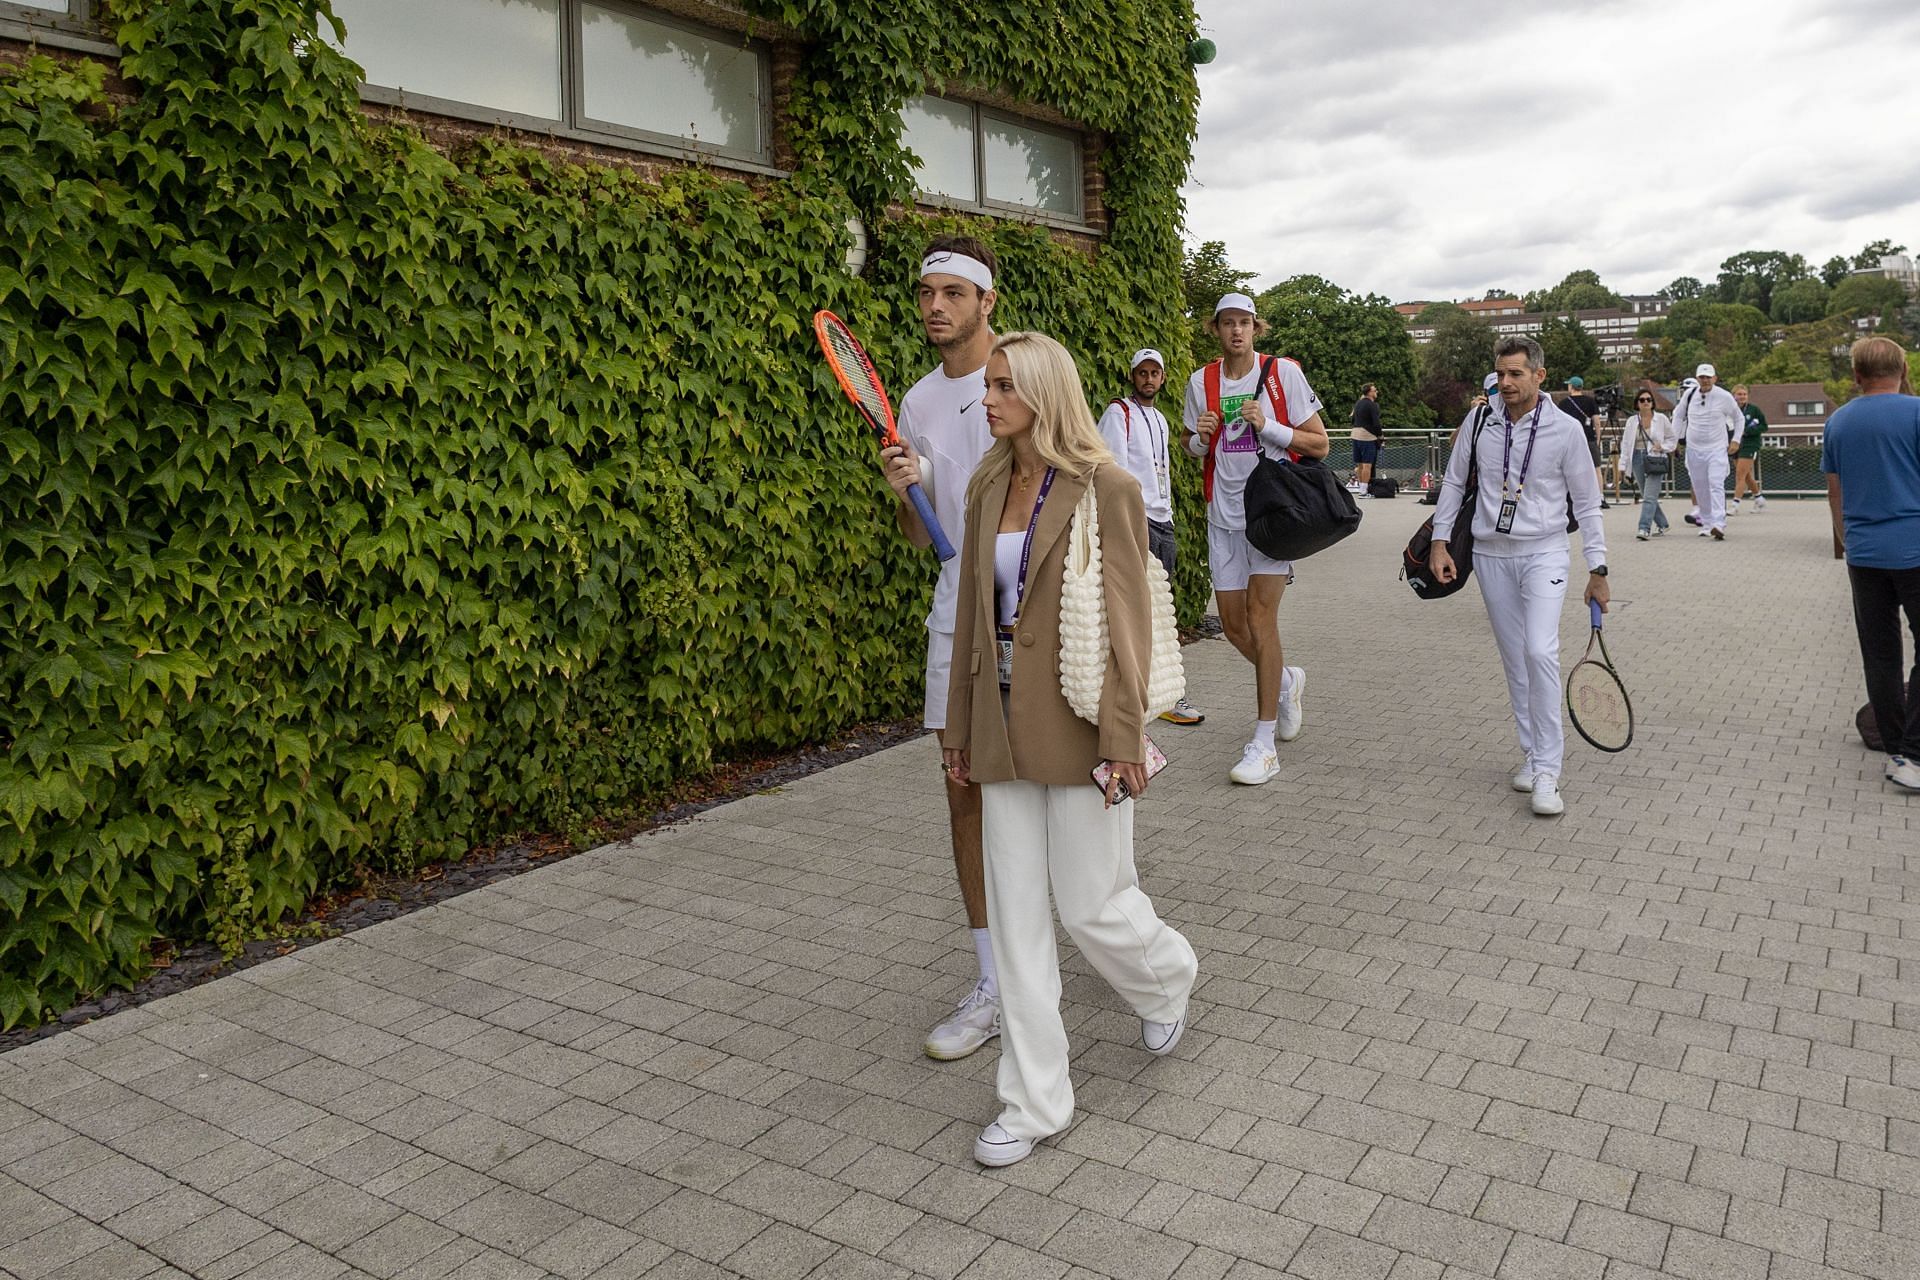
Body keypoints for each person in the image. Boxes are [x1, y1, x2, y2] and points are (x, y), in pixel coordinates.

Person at [943, 331, 1199, 1166]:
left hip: (1083, 720)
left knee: (1092, 902)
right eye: (988, 386)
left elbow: (1126, 627)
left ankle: (1166, 977)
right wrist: (958, 726)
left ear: (1045, 395)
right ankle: (1033, 1102)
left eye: (1004, 387)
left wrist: (1126, 739)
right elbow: (972, 620)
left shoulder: (1108, 488)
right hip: (999, 726)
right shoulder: (987, 485)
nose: (988, 400)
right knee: (1017, 921)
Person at [880, 236, 1003, 1060]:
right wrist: (904, 492)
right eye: (926, 292)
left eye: (953, 293)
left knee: (1055, 792)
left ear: (986, 301)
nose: (935, 306)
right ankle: (995, 980)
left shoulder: (1028, 373)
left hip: (1031, 607)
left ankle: (1116, 935)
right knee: (964, 791)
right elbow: (919, 537)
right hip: (955, 611)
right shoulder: (917, 401)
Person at [1428, 335, 1610, 817]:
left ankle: (1549, 769)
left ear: (1539, 376)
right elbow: (1452, 479)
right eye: (1500, 374)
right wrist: (1440, 541)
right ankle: (1531, 754)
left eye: (1515, 374)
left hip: (1545, 551)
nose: (1505, 383)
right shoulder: (1480, 418)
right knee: (1515, 660)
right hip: (1489, 553)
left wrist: (1599, 567)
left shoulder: (1566, 429)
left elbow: (1589, 504)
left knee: (1538, 649)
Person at [1180, 294, 1331, 785]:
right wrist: (1199, 439)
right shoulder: (1200, 382)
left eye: (1244, 323)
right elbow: (1191, 446)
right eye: (1228, 324)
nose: (1236, 332)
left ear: (1256, 328)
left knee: (1262, 620)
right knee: (1233, 624)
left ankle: (1263, 743)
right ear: (1217, 330)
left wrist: (1271, 427)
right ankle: (1285, 679)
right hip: (1222, 516)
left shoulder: (1282, 374)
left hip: (1271, 517)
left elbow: (1320, 443)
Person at [1822, 336, 1920, 793]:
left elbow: (1835, 492)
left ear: (1857, 375)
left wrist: (1847, 541)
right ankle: (1916, 753)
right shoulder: (1916, 411)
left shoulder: (1839, 421)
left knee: (1880, 654)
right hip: (1914, 549)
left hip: (1863, 552)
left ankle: (1897, 745)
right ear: (1902, 369)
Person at [1099, 349, 1204, 726]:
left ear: (1162, 378)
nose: (1148, 379)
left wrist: (1169, 514)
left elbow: (1162, 474)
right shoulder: (1118, 413)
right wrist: (1127, 520)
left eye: (1154, 373)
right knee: (1134, 610)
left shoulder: (1160, 418)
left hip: (1164, 522)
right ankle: (1141, 693)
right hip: (1136, 522)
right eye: (1141, 373)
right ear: (1132, 376)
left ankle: (1162, 692)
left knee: (1161, 609)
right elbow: (1111, 469)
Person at [1674, 362, 1741, 539]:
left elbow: (1738, 418)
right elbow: (1678, 415)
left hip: (1716, 448)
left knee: (1715, 483)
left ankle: (1719, 523)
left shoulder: (1724, 396)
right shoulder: (1689, 395)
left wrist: (1736, 440)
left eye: (1708, 377)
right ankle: (1706, 522)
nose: (1705, 380)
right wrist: (1674, 439)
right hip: (1694, 449)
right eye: (1702, 377)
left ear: (1715, 378)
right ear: (1697, 378)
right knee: (1700, 486)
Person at [1620, 388, 1676, 540]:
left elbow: (1672, 439)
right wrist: (1622, 466)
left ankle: (1644, 528)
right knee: (1647, 494)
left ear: (1652, 403)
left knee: (1649, 496)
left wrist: (1662, 446)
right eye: (1642, 400)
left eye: (1648, 400)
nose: (1646, 402)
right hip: (1637, 458)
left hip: (1655, 458)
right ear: (1637, 403)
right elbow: (1625, 444)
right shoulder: (1632, 421)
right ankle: (1663, 523)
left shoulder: (1662, 419)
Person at [1559, 375, 1607, 506]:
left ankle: (1573, 497)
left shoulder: (1564, 403)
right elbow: (1596, 421)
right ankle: (1600, 496)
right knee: (1596, 468)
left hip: (1571, 442)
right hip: (1589, 438)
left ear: (1571, 387)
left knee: (1571, 469)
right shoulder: (1591, 401)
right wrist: (1598, 437)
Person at [1731, 384, 1768, 514]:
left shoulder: (1754, 410)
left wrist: (1748, 431)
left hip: (1750, 444)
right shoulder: (1731, 410)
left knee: (1740, 474)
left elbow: (1764, 426)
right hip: (1735, 444)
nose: (1742, 397)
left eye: (1744, 394)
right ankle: (1759, 498)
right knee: (1746, 475)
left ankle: (1735, 504)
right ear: (1734, 396)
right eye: (1739, 394)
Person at [1350, 383, 1383, 493]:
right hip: (1367, 437)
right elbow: (1376, 423)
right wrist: (1379, 435)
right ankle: (1364, 490)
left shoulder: (1358, 403)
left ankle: (1360, 487)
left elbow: (1353, 419)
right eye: (1374, 390)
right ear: (1369, 392)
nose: (1376, 392)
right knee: (1367, 465)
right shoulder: (1372, 405)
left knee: (1359, 465)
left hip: (1355, 434)